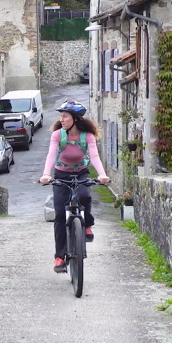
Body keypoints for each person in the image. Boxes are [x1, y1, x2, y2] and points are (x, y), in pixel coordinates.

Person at [39, 100, 110, 273]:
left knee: (84, 195)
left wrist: (102, 174)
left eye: (65, 116)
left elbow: (94, 156)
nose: (61, 119)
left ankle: (87, 224)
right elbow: (51, 155)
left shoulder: (88, 136)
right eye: (61, 116)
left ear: (75, 119)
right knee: (60, 215)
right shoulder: (58, 135)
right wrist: (46, 174)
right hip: (61, 174)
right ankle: (59, 257)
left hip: (81, 173)